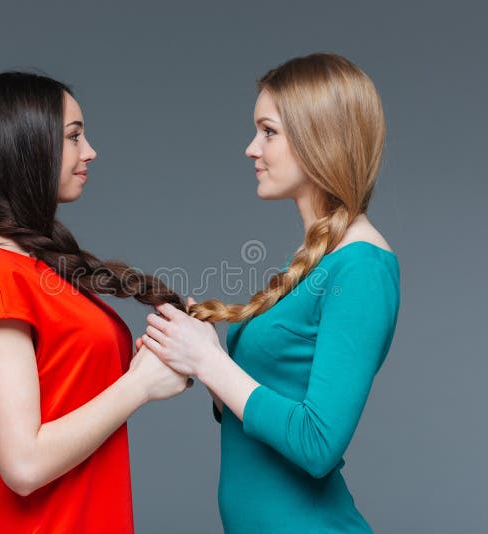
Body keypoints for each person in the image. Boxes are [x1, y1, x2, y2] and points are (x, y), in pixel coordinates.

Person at [140, 53, 401, 532]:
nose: (251, 149)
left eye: (268, 131)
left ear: (318, 138)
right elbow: (266, 407)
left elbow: (317, 444)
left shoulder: (362, 266)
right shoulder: (315, 259)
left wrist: (209, 362)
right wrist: (197, 354)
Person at [0, 71, 192, 533]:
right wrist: (139, 385)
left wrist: (154, 359)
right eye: (74, 137)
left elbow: (66, 393)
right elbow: (23, 465)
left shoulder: (34, 267)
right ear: (28, 147)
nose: (90, 152)